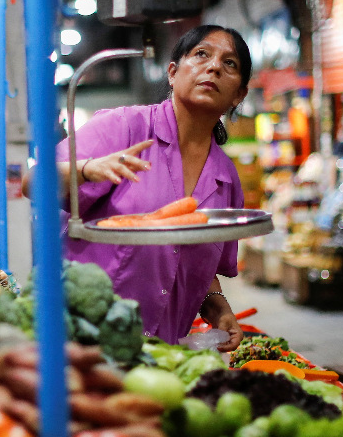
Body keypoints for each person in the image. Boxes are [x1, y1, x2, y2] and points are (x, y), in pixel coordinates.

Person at [23, 25, 250, 349]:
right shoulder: (124, 127)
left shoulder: (225, 178)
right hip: (81, 341)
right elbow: (32, 183)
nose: (214, 66)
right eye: (201, 54)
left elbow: (195, 261)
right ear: (172, 72)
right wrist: (88, 169)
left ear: (238, 94)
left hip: (160, 355)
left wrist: (217, 306)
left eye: (230, 64)